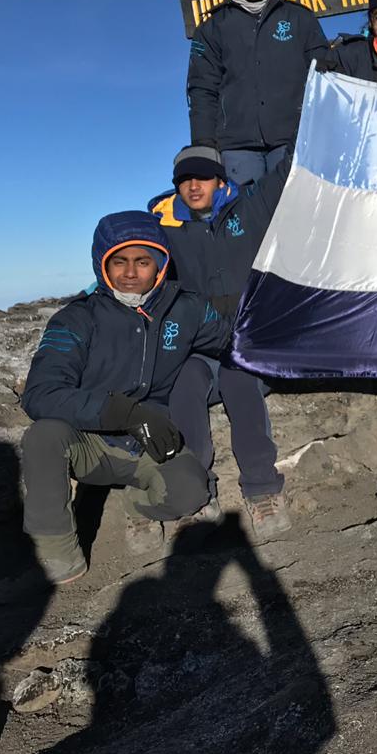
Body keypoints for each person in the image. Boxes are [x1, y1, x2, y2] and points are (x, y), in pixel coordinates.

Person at [20, 213, 231, 584]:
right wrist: (122, 412)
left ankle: (131, 504)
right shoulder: (76, 318)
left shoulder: (187, 307)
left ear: (160, 264)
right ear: (103, 264)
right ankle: (56, 553)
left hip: (152, 440)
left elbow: (234, 343)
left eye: (143, 261)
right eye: (119, 261)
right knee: (43, 436)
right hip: (88, 440)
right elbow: (40, 393)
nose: (131, 273)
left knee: (190, 494)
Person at [149, 145, 292, 542]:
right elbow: (132, 262)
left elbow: (291, 164)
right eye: (184, 180)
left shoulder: (250, 206)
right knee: (184, 382)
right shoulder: (162, 225)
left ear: (220, 180)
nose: (193, 186)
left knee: (238, 378)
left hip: (250, 341)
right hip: (198, 346)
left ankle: (262, 489)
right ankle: (196, 495)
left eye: (203, 178)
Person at [187, 0, 329, 185]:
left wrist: (321, 134)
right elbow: (202, 90)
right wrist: (204, 147)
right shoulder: (214, 26)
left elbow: (325, 80)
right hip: (235, 148)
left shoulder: (300, 19)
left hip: (293, 142)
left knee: (290, 219)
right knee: (243, 220)